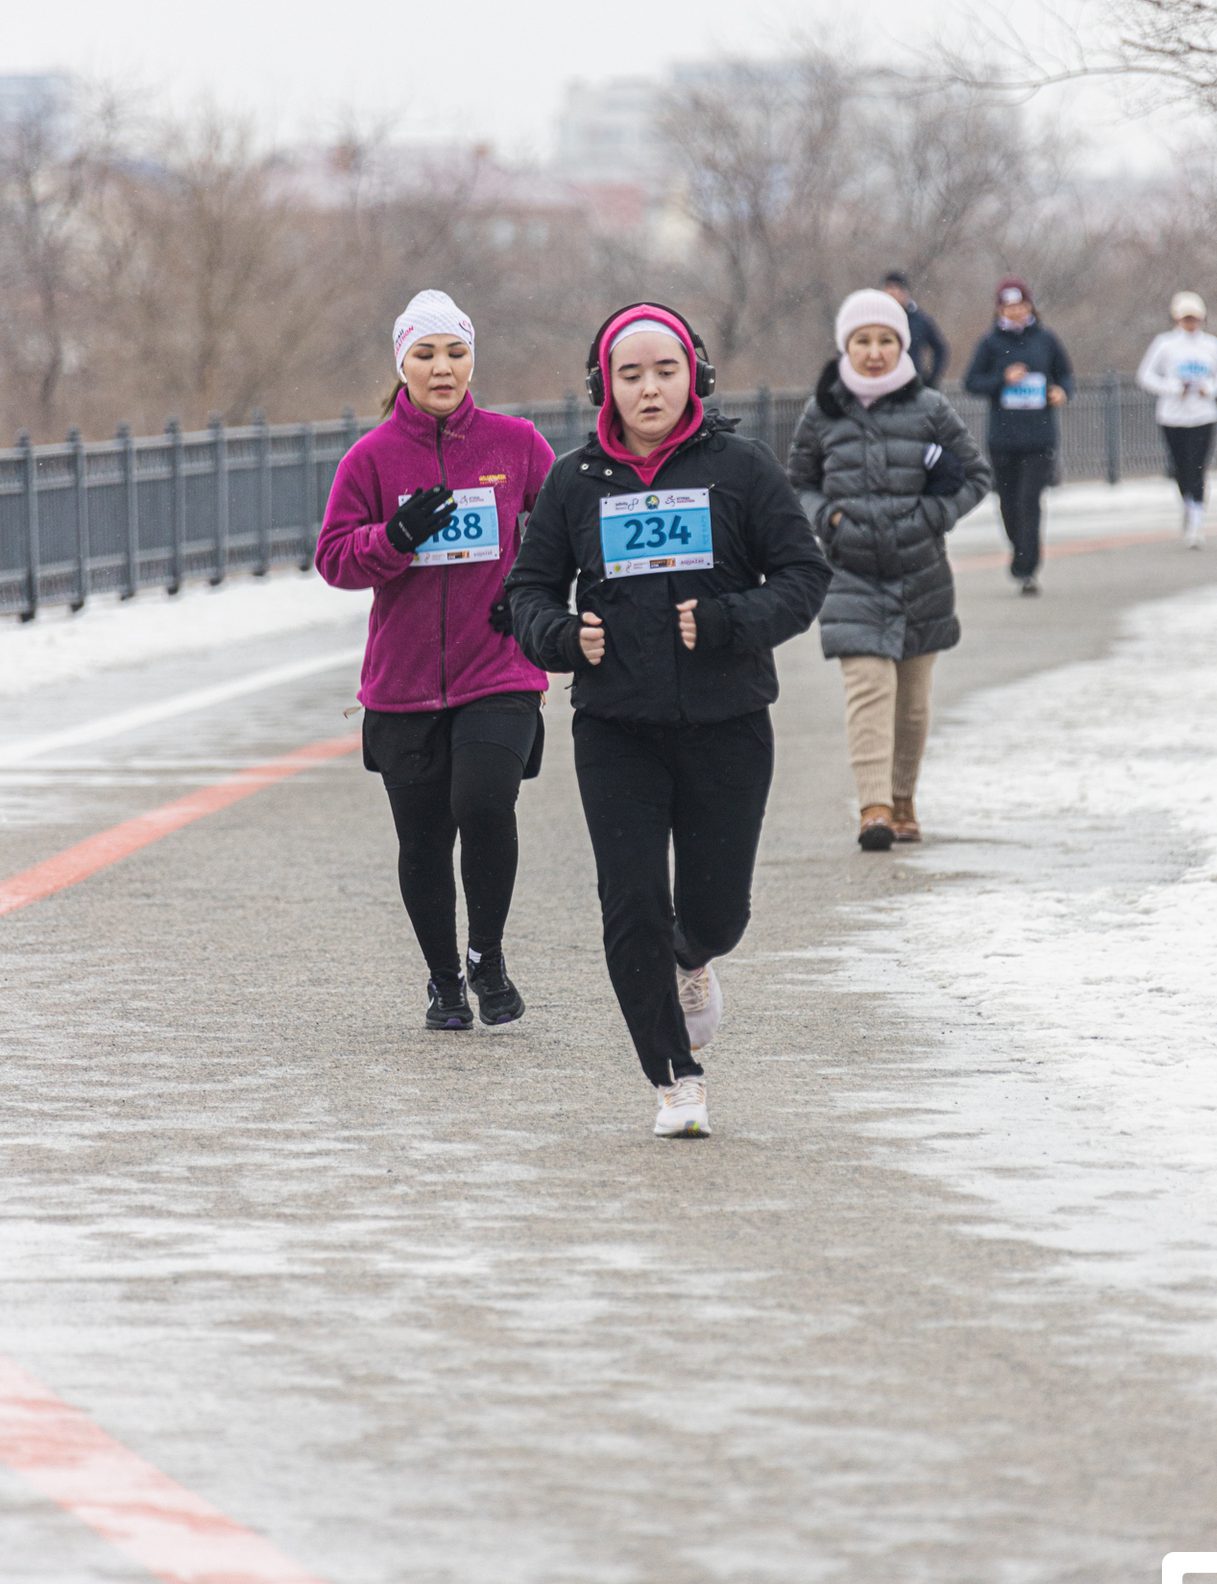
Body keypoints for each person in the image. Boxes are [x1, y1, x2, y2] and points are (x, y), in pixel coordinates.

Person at [506, 302, 829, 1139]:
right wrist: (563, 638)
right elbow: (526, 592)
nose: (649, 389)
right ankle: (673, 1078)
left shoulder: (742, 468)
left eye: (666, 371)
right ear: (603, 387)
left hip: (728, 719)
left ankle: (694, 954)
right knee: (632, 903)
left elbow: (804, 575)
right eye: (630, 375)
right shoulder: (575, 482)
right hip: (617, 726)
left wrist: (728, 621)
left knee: (717, 914)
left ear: (696, 375)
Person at [316, 291, 555, 1033]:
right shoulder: (370, 458)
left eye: (455, 352)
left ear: (472, 359)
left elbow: (564, 531)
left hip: (499, 667)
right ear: (403, 365)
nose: (442, 367)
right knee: (423, 840)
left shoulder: (517, 444)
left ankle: (488, 955)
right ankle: (445, 982)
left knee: (484, 802)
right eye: (425, 354)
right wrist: (393, 538)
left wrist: (527, 595)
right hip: (404, 684)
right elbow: (333, 559)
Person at [788, 288, 990, 851]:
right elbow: (797, 483)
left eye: (885, 340)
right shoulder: (822, 411)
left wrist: (932, 516)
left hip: (921, 574)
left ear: (902, 345)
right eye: (862, 340)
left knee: (912, 702)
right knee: (869, 687)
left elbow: (976, 476)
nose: (874, 351)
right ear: (845, 346)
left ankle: (903, 800)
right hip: (850, 574)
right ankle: (872, 807)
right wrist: (828, 519)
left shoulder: (929, 407)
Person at [962, 277, 1073, 596]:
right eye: (1008, 306)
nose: (1014, 311)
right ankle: (1019, 549)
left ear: (1030, 306)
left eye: (1020, 305)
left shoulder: (1046, 340)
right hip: (1004, 437)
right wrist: (1002, 379)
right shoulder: (990, 343)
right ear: (999, 309)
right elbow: (972, 382)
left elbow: (1065, 374)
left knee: (1029, 500)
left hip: (1039, 436)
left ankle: (1027, 568)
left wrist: (1061, 391)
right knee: (1009, 502)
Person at [1136, 291, 1217, 549]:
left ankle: (1197, 520)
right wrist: (1172, 388)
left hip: (1203, 415)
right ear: (1177, 318)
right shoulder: (1165, 344)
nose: (1190, 323)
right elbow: (1145, 375)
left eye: (1194, 318)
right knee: (1180, 466)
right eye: (1186, 318)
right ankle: (1187, 505)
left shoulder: (1211, 345)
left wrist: (1210, 388)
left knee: (1198, 466)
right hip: (1173, 416)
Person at [882, 271, 950, 387]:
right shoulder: (877, 319)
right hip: (882, 382)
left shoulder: (919, 320)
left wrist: (931, 379)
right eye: (888, 288)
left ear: (905, 293)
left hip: (911, 384)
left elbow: (940, 349)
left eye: (897, 288)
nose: (892, 293)